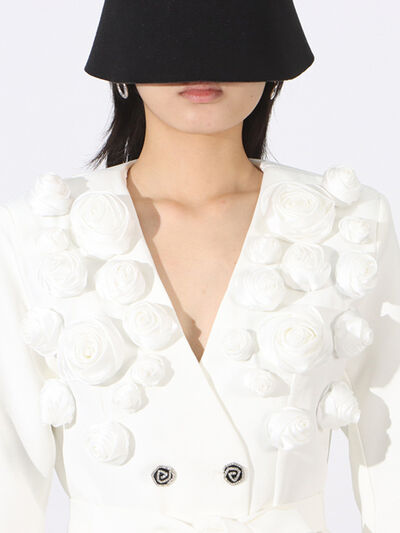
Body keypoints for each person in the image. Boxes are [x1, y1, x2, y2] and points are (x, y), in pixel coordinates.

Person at [1, 1, 399, 532]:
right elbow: (9, 472)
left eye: (229, 25)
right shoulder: (41, 232)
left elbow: (391, 454)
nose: (200, 63)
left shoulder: (349, 225)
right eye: (169, 26)